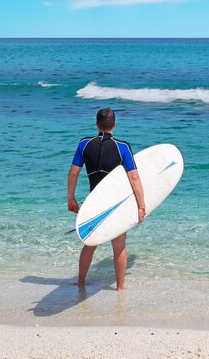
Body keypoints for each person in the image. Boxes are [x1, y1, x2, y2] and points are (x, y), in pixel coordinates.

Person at [67, 107, 145, 290]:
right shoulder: (122, 147)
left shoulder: (84, 144)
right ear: (114, 125)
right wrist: (141, 206)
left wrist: (71, 198)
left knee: (90, 244)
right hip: (114, 205)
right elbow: (134, 178)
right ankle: (120, 288)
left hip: (94, 203)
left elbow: (74, 172)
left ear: (96, 124)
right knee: (118, 246)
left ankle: (80, 283)